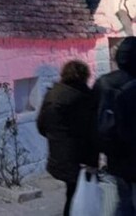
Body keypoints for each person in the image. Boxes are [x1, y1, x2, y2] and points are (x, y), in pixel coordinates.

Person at [37, 60, 99, 216]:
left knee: (72, 193)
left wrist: (56, 138)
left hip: (58, 155)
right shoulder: (84, 98)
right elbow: (90, 131)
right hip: (79, 158)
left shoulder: (52, 94)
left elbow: (42, 125)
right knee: (75, 197)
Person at [94, 36, 136, 216]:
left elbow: (92, 118)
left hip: (114, 154)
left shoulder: (103, 82)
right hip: (132, 151)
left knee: (123, 200)